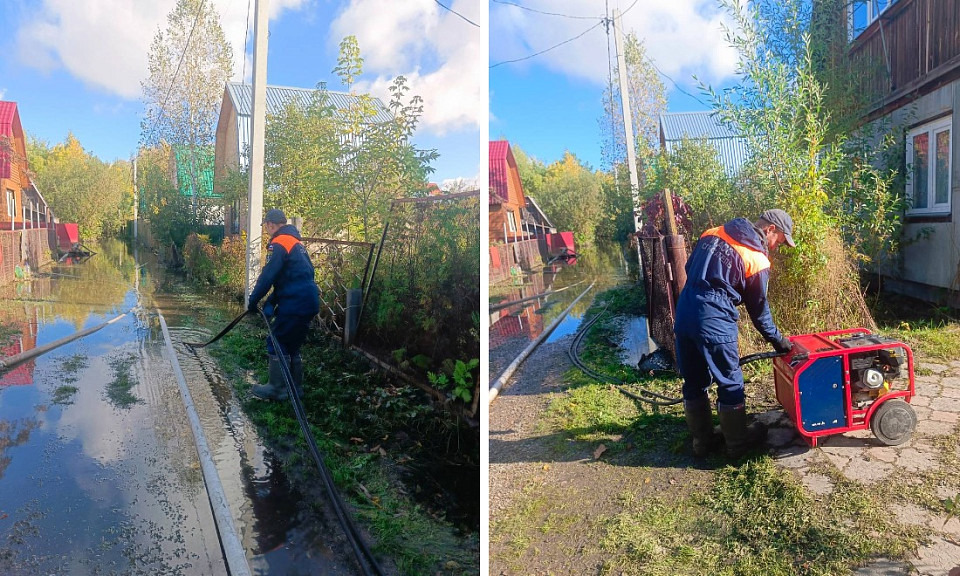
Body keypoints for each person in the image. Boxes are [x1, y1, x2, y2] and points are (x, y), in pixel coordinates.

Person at [674, 209, 795, 458]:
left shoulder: (713, 233)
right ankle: (737, 445)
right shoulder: (756, 258)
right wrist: (779, 340)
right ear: (770, 229)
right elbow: (759, 311)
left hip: (685, 310)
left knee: (694, 380)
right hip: (715, 318)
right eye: (779, 241)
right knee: (730, 382)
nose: (775, 247)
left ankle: (702, 442)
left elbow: (689, 266)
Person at [248, 209, 320, 401]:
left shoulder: (278, 243)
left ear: (271, 224)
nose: (265, 230)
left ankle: (277, 389)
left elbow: (267, 277)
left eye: (265, 226)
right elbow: (292, 277)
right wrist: (272, 300)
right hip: (308, 300)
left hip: (295, 302)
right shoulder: (296, 243)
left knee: (276, 341)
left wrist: (253, 301)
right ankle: (295, 389)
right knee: (292, 345)